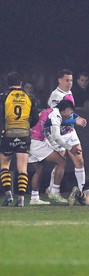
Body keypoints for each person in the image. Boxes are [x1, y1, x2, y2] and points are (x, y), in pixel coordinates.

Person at [28, 100, 83, 205]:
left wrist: (54, 146)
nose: (70, 116)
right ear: (66, 110)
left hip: (32, 140)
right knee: (61, 162)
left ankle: (34, 198)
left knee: (39, 170)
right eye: (71, 113)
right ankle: (55, 192)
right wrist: (71, 148)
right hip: (37, 142)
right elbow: (57, 137)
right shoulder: (56, 115)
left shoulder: (49, 111)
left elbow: (47, 132)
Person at [0, 72, 39, 207]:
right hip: (24, 134)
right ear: (21, 83)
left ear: (8, 83)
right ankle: (21, 198)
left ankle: (8, 194)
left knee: (4, 165)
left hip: (8, 134)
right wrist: (27, 126)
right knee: (22, 168)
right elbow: (36, 118)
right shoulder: (30, 97)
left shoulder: (4, 97)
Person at [47, 69, 87, 192]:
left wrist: (77, 117)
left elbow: (69, 113)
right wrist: (75, 121)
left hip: (70, 132)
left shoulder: (69, 92)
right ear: (59, 80)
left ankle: (82, 191)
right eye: (67, 80)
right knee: (60, 163)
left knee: (79, 160)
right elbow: (56, 119)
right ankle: (52, 190)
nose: (69, 83)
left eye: (71, 80)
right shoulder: (55, 97)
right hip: (58, 134)